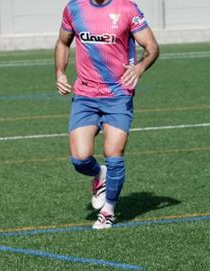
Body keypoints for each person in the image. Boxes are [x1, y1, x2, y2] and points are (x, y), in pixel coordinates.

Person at [54, 0, 159, 229]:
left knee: (114, 154)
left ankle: (109, 210)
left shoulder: (127, 9)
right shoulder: (74, 8)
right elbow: (63, 42)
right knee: (80, 159)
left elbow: (152, 47)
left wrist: (140, 68)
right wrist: (60, 73)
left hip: (118, 95)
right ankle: (98, 174)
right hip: (85, 96)